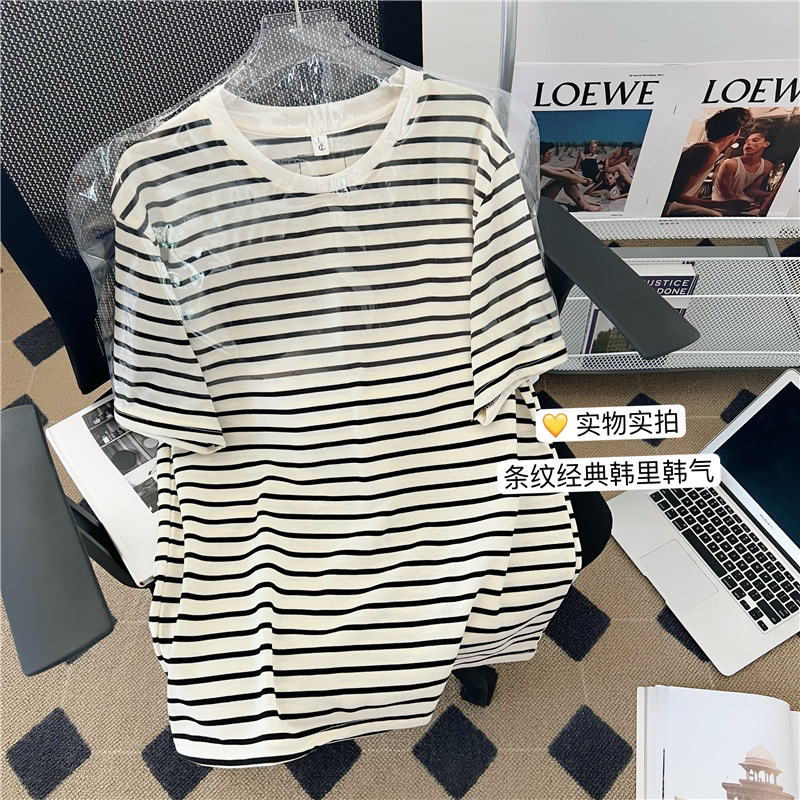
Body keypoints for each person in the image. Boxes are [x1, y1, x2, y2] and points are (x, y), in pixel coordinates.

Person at [663, 107, 754, 216]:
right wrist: (724, 205)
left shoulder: (708, 149)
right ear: (736, 132)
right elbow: (676, 196)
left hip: (675, 204)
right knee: (715, 216)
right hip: (667, 206)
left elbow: (691, 196)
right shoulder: (709, 150)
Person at [711, 126, 773, 211]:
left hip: (745, 203)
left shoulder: (767, 166)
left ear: (766, 144)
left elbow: (752, 190)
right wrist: (747, 205)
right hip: (723, 205)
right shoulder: (730, 165)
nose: (748, 143)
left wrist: (773, 194)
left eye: (755, 140)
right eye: (747, 141)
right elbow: (725, 193)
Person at [540, 141, 603, 212]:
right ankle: (584, 205)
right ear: (541, 156)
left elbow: (568, 169)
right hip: (538, 203)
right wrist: (585, 181)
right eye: (549, 154)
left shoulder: (540, 166)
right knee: (564, 179)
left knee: (565, 174)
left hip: (539, 197)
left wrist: (583, 178)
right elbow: (571, 178)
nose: (551, 156)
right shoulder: (540, 168)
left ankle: (584, 201)